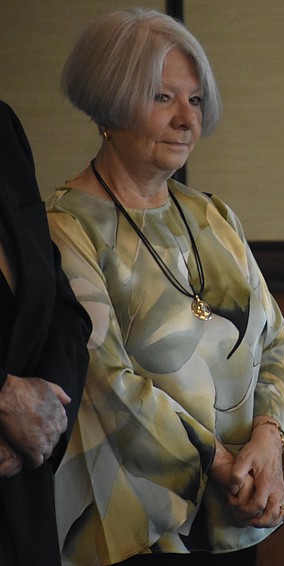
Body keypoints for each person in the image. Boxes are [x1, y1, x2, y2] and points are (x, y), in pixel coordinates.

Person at [46, 9, 284, 566]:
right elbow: (105, 379)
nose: (186, 119)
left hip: (237, 514)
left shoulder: (214, 214)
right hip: (134, 528)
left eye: (196, 101)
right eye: (163, 98)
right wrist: (225, 467)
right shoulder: (67, 225)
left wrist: (268, 443)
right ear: (111, 104)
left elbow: (274, 343)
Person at [0, 100, 91, 565]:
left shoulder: (4, 126)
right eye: (162, 96)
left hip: (20, 503)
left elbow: (62, 311)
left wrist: (40, 423)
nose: (184, 116)